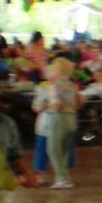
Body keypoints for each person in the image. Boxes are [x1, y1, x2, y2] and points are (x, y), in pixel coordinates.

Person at [32, 57, 80, 189]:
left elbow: (56, 104)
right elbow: (79, 102)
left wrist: (49, 105)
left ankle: (61, 179)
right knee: (64, 151)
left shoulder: (54, 85)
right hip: (71, 119)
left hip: (58, 120)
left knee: (53, 149)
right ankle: (65, 178)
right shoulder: (71, 85)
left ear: (57, 70)